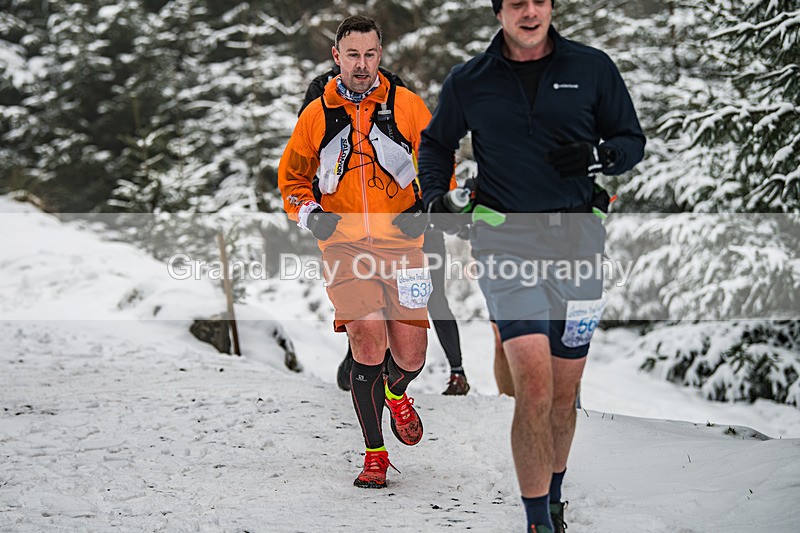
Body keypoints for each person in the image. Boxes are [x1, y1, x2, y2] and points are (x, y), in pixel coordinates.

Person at [418, 1, 645, 531]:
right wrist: (435, 198)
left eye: (539, 0)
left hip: (580, 244)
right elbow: (435, 143)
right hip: (506, 244)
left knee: (564, 396)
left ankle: (555, 497)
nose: (529, 11)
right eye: (516, 2)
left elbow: (630, 141)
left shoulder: (592, 68)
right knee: (536, 387)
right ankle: (536, 520)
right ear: (499, 11)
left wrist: (598, 156)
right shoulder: (469, 80)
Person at [279, 15, 434, 489]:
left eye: (369, 54)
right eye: (352, 55)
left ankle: (396, 392)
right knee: (368, 342)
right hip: (344, 247)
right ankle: (374, 453)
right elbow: (292, 182)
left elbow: (438, 164)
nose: (361, 64)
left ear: (379, 55)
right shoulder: (317, 116)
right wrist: (312, 216)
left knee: (410, 356)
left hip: (403, 248)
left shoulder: (406, 106)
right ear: (336, 57)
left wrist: (427, 205)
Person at [297, 66, 470, 396]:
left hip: (415, 221)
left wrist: (426, 204)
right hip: (356, 231)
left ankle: (456, 372)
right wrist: (317, 210)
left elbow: (434, 154)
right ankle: (367, 362)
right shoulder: (321, 100)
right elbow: (313, 161)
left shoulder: (395, 95)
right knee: (368, 304)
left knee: (432, 297)